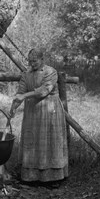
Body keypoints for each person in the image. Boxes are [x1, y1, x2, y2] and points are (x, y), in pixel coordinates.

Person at [10, 48, 68, 183]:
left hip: (49, 111)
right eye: (30, 61)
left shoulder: (50, 72)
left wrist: (25, 95)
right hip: (32, 112)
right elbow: (21, 92)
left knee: (50, 141)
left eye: (34, 61)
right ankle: (31, 176)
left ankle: (54, 177)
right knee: (32, 141)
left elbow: (44, 91)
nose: (32, 64)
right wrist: (13, 107)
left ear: (42, 59)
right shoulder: (26, 73)